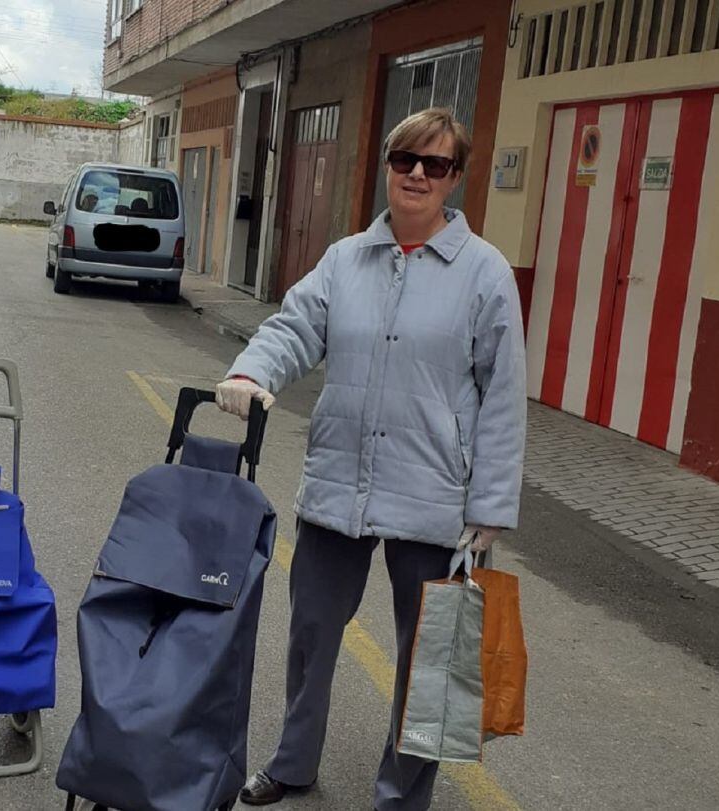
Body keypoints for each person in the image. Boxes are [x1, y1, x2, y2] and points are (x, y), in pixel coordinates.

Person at [215, 108, 526, 809]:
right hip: (340, 482)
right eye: (405, 159)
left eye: (435, 164)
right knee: (311, 633)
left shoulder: (484, 273)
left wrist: (491, 508)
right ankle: (293, 761)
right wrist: (249, 371)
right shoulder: (345, 259)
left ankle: (401, 795)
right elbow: (294, 327)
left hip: (435, 496)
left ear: (453, 178)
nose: (417, 174)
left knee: (429, 658)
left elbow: (504, 395)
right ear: (387, 164)